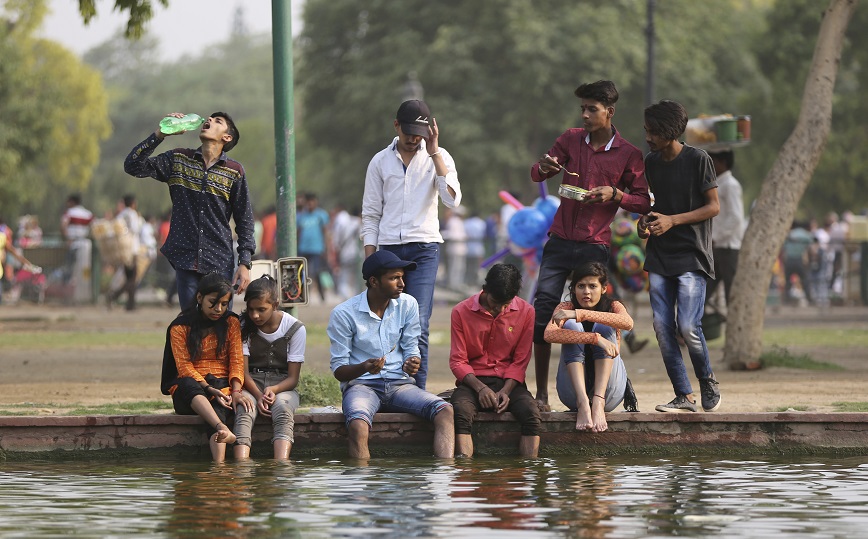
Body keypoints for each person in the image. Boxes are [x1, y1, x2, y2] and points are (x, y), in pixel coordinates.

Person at [530, 80, 651, 409]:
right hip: (558, 242)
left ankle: (612, 387)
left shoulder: (629, 154)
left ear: (609, 112)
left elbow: (643, 201)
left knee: (601, 318)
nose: (584, 114)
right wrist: (544, 167)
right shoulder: (570, 139)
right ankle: (541, 394)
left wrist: (615, 194)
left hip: (594, 246)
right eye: (582, 108)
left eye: (591, 109)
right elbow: (537, 174)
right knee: (543, 315)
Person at [362, 99, 462, 390]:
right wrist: (370, 259)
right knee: (383, 319)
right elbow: (370, 213)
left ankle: (416, 391)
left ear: (429, 131)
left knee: (417, 321)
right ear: (396, 126)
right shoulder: (380, 161)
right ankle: (386, 387)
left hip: (424, 248)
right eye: (408, 132)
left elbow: (452, 200)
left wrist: (434, 155)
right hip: (389, 249)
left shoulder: (440, 157)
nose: (413, 138)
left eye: (419, 132)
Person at [327, 250, 454, 459]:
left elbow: (412, 347)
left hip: (400, 385)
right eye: (394, 278)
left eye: (402, 277)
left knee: (445, 410)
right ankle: (362, 489)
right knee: (358, 425)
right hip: (361, 386)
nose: (402, 283)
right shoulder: (343, 314)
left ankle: (442, 476)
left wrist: (411, 362)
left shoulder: (408, 304)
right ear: (374, 281)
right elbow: (339, 372)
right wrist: (364, 367)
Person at [124, 112, 255, 311]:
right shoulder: (178, 159)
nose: (209, 121)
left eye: (217, 121)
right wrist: (160, 134)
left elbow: (244, 220)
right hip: (185, 259)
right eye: (209, 119)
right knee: (191, 323)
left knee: (220, 322)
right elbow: (133, 166)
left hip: (219, 259)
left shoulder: (234, 171)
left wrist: (245, 263)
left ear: (226, 137)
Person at [638, 100, 721, 413]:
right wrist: (644, 223)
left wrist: (673, 220)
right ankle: (683, 395)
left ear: (669, 132)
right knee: (662, 327)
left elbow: (713, 206)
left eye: (652, 132)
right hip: (659, 254)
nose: (647, 137)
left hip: (692, 254)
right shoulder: (651, 162)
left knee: (687, 325)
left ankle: (707, 378)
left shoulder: (698, 159)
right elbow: (651, 204)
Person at [449, 263, 541, 457]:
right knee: (460, 412)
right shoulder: (460, 311)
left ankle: (528, 471)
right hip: (473, 381)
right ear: (485, 290)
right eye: (494, 302)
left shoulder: (527, 312)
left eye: (506, 304)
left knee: (531, 414)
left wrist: (505, 391)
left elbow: (520, 360)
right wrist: (480, 388)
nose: (499, 309)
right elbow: (458, 360)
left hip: (509, 383)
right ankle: (465, 473)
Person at [160, 273, 245, 462]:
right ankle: (222, 427)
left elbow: (237, 360)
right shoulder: (180, 327)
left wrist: (236, 390)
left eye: (224, 304)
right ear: (199, 298)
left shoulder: (232, 322)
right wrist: (208, 388)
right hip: (189, 393)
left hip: (223, 388)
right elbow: (183, 368)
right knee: (189, 383)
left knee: (219, 404)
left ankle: (219, 467)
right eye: (213, 303)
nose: (219, 309)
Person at [544, 262, 635, 432]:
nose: (586, 292)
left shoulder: (613, 306)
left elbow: (628, 323)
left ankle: (598, 402)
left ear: (604, 288)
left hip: (609, 393)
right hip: (573, 394)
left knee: (604, 324)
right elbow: (549, 334)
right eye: (581, 286)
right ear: (573, 289)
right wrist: (594, 339)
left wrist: (580, 314)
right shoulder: (565, 308)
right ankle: (584, 403)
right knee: (571, 326)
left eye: (593, 286)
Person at [233, 275, 305, 461]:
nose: (255, 315)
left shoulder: (295, 328)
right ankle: (241, 466)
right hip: (251, 384)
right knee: (245, 409)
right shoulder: (243, 326)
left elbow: (293, 378)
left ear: (275, 304)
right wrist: (258, 396)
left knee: (282, 408)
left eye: (261, 310)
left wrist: (273, 390)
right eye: (251, 309)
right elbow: (244, 371)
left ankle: (281, 465)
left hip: (283, 386)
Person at [706, 151, 745, 307]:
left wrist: (717, 237)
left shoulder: (730, 185)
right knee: (704, 289)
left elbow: (735, 217)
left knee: (732, 294)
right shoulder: (718, 184)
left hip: (728, 247)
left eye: (713, 161)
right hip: (717, 247)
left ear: (722, 162)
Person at [107, 194, 143, 311]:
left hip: (124, 250)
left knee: (129, 277)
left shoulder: (121, 214)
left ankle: (130, 304)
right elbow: (135, 229)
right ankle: (115, 295)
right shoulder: (132, 214)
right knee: (132, 278)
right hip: (132, 249)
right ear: (133, 203)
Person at [297, 193, 331, 303]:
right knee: (302, 272)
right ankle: (302, 295)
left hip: (316, 248)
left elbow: (325, 231)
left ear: (316, 202)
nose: (310, 204)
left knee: (316, 272)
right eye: (308, 201)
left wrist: (326, 247)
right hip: (303, 248)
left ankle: (321, 295)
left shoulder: (321, 215)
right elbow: (298, 232)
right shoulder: (301, 216)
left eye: (312, 201)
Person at [60, 194, 94, 285]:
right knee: (85, 267)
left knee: (69, 266)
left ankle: (66, 286)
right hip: (85, 243)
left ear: (72, 202)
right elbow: (94, 227)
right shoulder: (88, 214)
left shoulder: (69, 212)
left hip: (73, 242)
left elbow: (63, 226)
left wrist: (67, 238)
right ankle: (85, 284)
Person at [331, 204, 362, 299]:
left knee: (344, 278)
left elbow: (336, 242)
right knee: (359, 278)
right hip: (359, 255)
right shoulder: (359, 223)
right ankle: (358, 298)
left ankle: (346, 299)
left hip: (345, 254)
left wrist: (336, 254)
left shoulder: (343, 223)